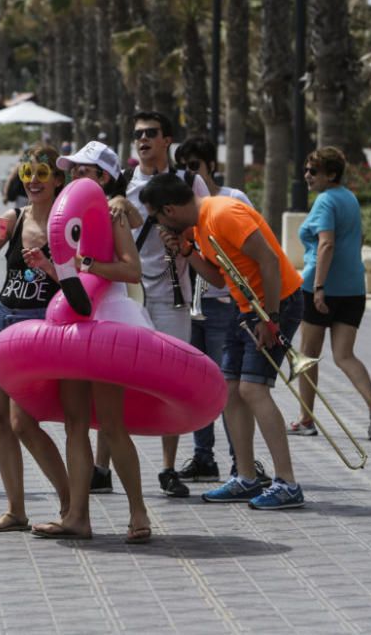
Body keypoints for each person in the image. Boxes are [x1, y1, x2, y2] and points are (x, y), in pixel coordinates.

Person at [140, 173, 306, 510]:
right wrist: (187, 251)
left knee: (253, 390)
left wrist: (270, 318)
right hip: (245, 307)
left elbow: (270, 261)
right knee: (229, 389)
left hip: (276, 303)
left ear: (169, 210)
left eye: (155, 215)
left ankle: (287, 482)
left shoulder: (222, 213)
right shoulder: (201, 226)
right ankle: (245, 477)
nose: (156, 223)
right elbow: (218, 277)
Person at [31, 141, 151, 542]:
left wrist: (92, 265)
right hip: (75, 321)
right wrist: (51, 267)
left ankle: (139, 514)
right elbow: (73, 281)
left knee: (112, 425)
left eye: (85, 170)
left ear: (102, 176)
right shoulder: (72, 217)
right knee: (75, 423)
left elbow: (132, 271)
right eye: (74, 170)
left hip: (108, 321)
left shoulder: (113, 213)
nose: (76, 177)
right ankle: (77, 517)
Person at [0, 144, 71, 533]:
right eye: (27, 172)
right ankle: (16, 509)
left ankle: (69, 503)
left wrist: (50, 264)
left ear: (58, 179)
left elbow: (80, 279)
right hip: (1, 320)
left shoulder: (65, 222)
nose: (32, 180)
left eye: (42, 173)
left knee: (23, 422)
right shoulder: (14, 217)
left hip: (40, 326)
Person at [171, 136, 268, 485]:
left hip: (227, 303)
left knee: (228, 387)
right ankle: (202, 455)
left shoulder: (232, 199)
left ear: (211, 165)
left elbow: (256, 248)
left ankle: (240, 461)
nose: (188, 172)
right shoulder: (181, 205)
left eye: (194, 165)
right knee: (198, 385)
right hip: (193, 300)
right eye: (183, 165)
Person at [125, 111, 210, 499]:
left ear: (167, 140)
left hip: (173, 297)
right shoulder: (122, 183)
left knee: (171, 379)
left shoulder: (190, 182)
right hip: (128, 295)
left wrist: (184, 241)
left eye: (151, 133)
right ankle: (102, 467)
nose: (143, 139)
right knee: (117, 378)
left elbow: (207, 226)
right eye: (138, 134)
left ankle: (168, 468)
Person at [293, 147, 371, 440]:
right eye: (307, 169)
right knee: (344, 355)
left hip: (320, 288)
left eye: (313, 171)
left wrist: (319, 287)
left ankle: (306, 420)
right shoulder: (350, 198)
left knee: (307, 355)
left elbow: (326, 245)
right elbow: (356, 240)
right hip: (353, 288)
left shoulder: (324, 201)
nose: (307, 175)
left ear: (331, 174)